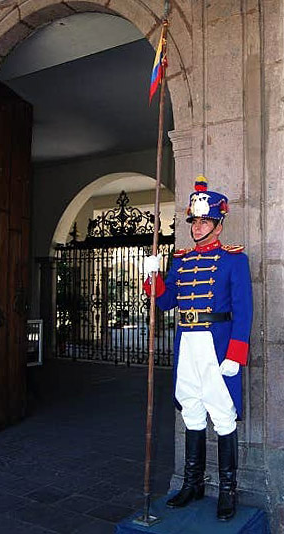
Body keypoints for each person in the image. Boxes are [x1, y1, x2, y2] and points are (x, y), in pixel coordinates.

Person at [143, 176, 253, 521]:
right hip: (187, 343)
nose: (197, 226)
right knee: (191, 409)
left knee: (222, 414)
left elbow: (244, 308)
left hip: (216, 343)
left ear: (218, 225)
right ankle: (193, 484)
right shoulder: (182, 260)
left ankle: (228, 490)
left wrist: (236, 353)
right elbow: (165, 302)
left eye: (204, 220)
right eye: (194, 220)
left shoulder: (234, 260)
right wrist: (154, 279)